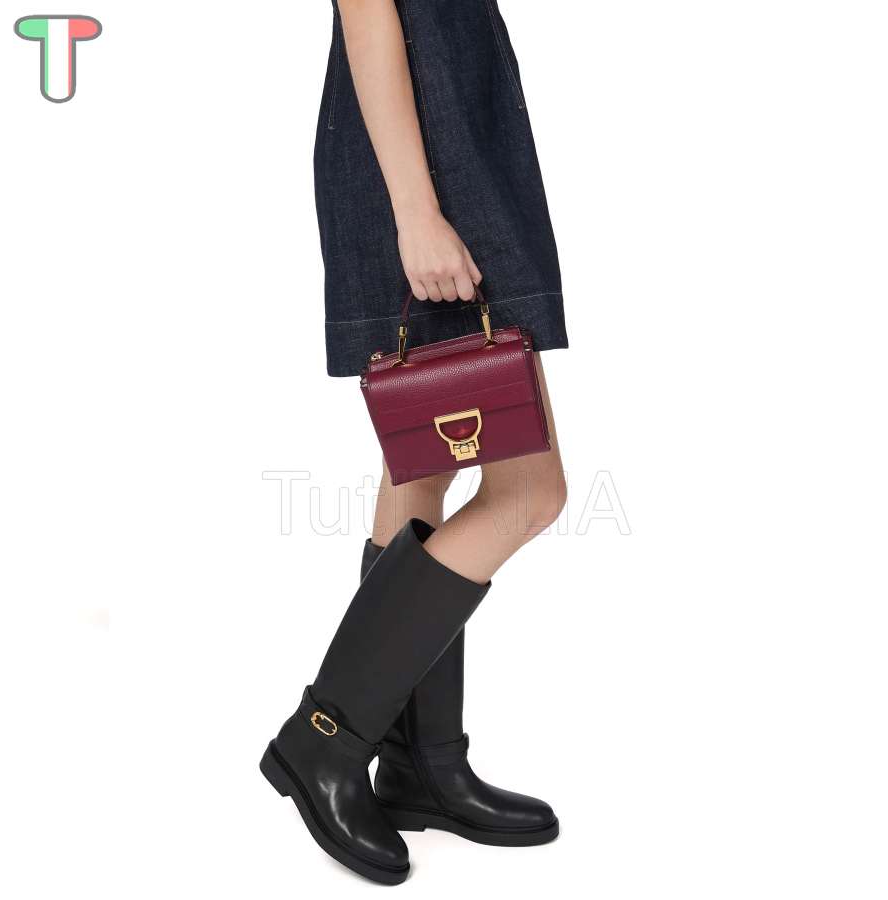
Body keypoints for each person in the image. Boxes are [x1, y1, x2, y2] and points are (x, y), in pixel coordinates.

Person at [261, 0, 569, 883]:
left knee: (421, 472)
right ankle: (325, 737)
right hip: (427, 179)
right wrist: (417, 213)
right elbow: (368, 23)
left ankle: (420, 766)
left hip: (457, 155)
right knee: (528, 494)